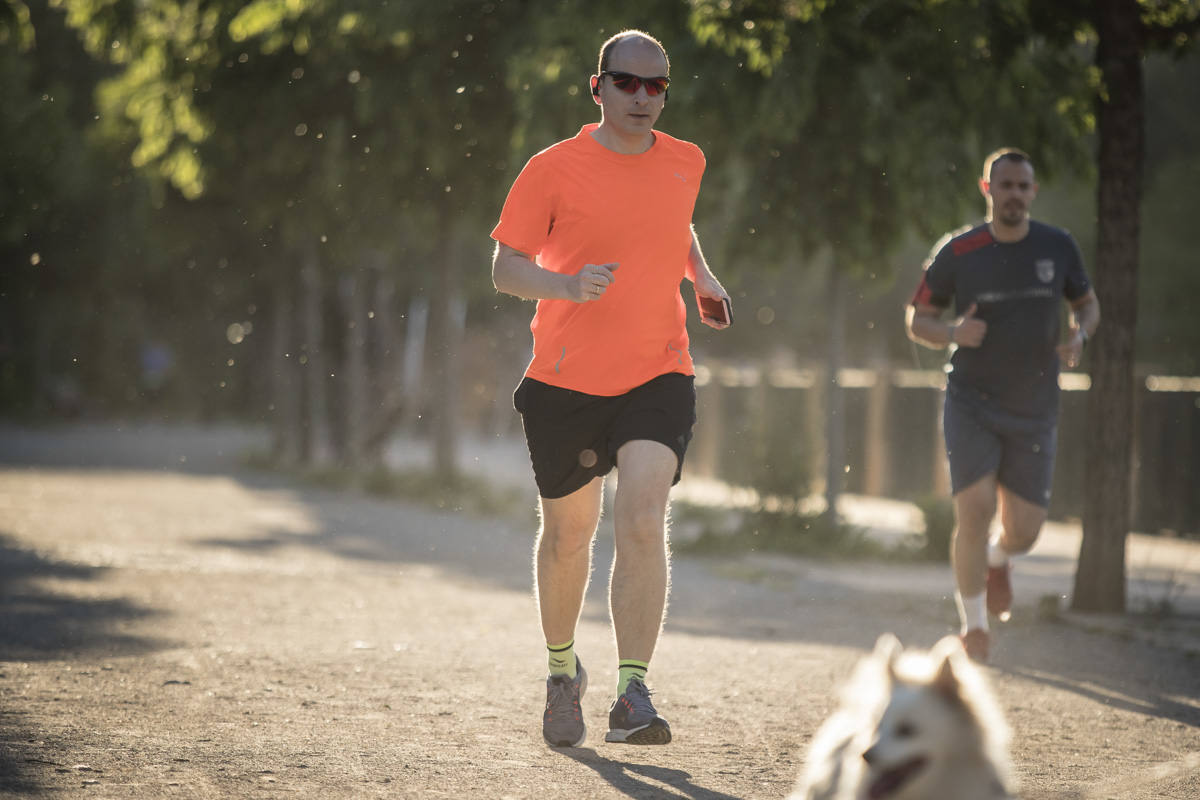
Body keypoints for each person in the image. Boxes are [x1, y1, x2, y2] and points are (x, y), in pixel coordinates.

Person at [490, 30, 729, 747]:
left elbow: (674, 221)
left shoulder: (686, 161)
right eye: (626, 83)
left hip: (659, 368)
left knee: (642, 514)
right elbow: (505, 267)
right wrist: (566, 285)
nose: (641, 98)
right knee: (569, 537)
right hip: (565, 379)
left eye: (655, 86)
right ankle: (563, 673)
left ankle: (632, 692)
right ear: (598, 88)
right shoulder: (553, 168)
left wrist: (703, 276)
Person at [905, 148, 1100, 663]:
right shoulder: (960, 250)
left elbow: (1087, 304)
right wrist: (952, 332)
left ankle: (999, 558)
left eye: (1023, 186)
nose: (1014, 193)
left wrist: (1081, 335)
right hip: (971, 399)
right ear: (986, 189)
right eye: (1004, 185)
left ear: (1033, 192)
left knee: (1027, 531)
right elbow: (916, 318)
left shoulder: (1057, 247)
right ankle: (974, 627)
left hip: (1035, 405)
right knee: (974, 511)